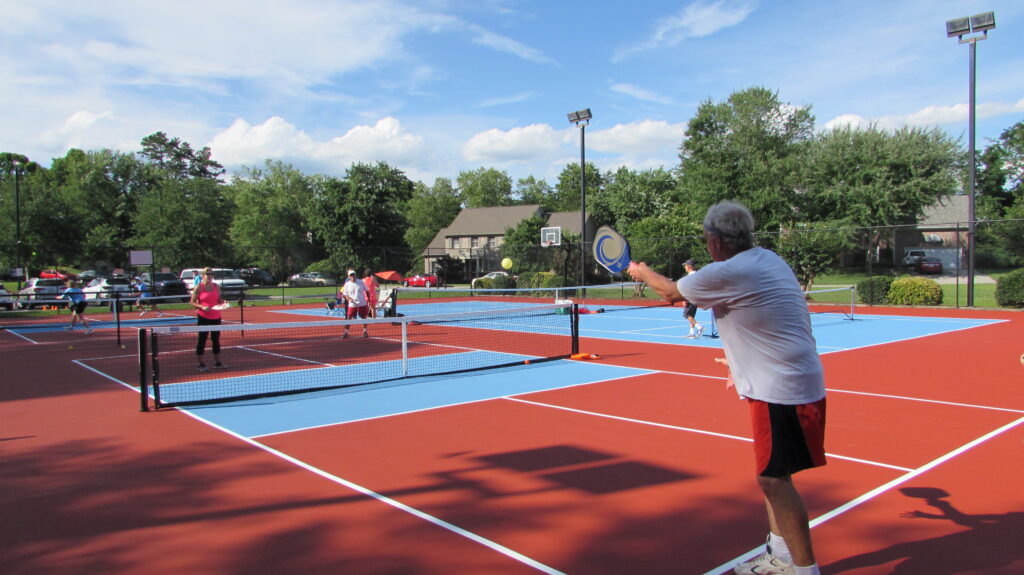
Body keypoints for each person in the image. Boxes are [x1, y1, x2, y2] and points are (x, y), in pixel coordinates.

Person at [628, 200, 826, 575]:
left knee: (773, 480)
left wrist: (641, 271)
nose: (706, 246)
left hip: (778, 387)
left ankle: (805, 569)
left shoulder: (729, 271)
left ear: (716, 241)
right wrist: (740, 362)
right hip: (789, 378)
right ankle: (782, 556)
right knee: (774, 476)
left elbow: (671, 292)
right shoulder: (768, 259)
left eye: (706, 240)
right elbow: (770, 318)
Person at [190, 267, 225, 371]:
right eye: (207, 274)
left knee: (216, 340)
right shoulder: (199, 287)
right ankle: (200, 363)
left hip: (216, 317)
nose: (209, 276)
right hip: (203, 317)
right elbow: (192, 302)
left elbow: (219, 299)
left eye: (211, 274)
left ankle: (217, 362)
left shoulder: (216, 286)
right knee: (202, 340)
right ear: (203, 275)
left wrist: (223, 303)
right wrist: (202, 306)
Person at [341, 269, 369, 338]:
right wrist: (349, 299)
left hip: (362, 303)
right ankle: (346, 332)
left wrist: (368, 299)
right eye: (351, 275)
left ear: (355, 275)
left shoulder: (361, 282)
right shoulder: (347, 284)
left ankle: (365, 332)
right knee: (349, 318)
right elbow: (345, 295)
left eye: (353, 274)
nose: (353, 276)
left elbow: (367, 291)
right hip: (352, 304)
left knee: (364, 317)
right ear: (349, 276)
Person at [682, 259, 704, 338]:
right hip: (696, 297)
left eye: (685, 265)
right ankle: (692, 332)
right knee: (691, 315)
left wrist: (685, 299)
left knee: (686, 314)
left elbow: (689, 288)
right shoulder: (697, 274)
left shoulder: (691, 276)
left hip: (691, 298)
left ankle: (699, 327)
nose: (685, 267)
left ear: (689, 266)